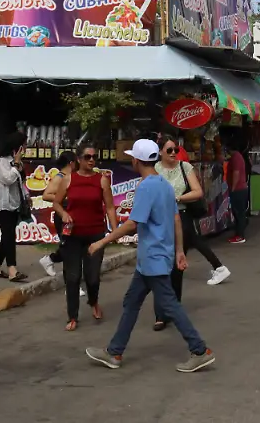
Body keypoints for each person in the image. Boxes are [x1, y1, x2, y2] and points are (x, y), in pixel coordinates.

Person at [85, 139, 216, 373]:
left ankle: (200, 350)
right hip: (153, 258)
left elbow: (134, 223)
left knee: (170, 306)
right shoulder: (164, 184)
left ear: (136, 160)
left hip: (153, 258)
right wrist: (178, 251)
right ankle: (115, 352)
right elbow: (176, 219)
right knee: (131, 302)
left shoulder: (147, 187)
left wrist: (102, 241)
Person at [152, 136, 231, 331]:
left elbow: (197, 192)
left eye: (175, 150)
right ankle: (161, 313)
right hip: (161, 219)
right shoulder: (155, 170)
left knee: (176, 266)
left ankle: (173, 307)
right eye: (169, 150)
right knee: (160, 266)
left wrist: (177, 197)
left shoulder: (184, 167)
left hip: (182, 216)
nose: (173, 154)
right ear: (160, 151)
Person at [46, 146, 117, 331]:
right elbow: (56, 203)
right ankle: (72, 316)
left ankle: (93, 301)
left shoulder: (101, 180)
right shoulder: (68, 179)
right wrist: (63, 215)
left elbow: (110, 207)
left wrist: (115, 230)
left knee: (92, 277)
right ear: (79, 159)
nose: (91, 160)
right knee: (73, 276)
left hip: (95, 234)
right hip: (73, 236)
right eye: (87, 157)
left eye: (95, 157)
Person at [0, 132, 28, 283]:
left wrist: (26, 196)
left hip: (14, 205)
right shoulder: (2, 162)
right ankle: (12, 270)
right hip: (2, 206)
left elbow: (20, 182)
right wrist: (16, 164)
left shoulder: (16, 162)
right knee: (9, 236)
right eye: (23, 145)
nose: (25, 148)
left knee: (7, 236)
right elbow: (8, 179)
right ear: (16, 146)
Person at [225, 134, 250, 244]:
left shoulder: (235, 157)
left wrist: (233, 188)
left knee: (238, 213)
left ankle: (240, 235)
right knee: (239, 212)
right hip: (241, 188)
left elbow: (236, 173)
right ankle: (239, 232)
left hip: (238, 189)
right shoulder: (239, 156)